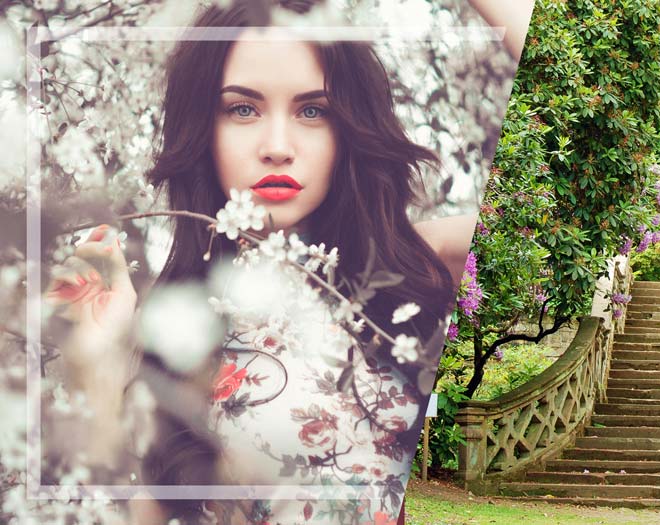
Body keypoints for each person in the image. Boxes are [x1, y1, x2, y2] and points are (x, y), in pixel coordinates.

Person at [42, 0, 526, 522]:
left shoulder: (421, 263)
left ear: (349, 128)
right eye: (242, 109)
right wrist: (92, 365)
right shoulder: (169, 331)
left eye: (312, 110)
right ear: (203, 129)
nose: (277, 146)